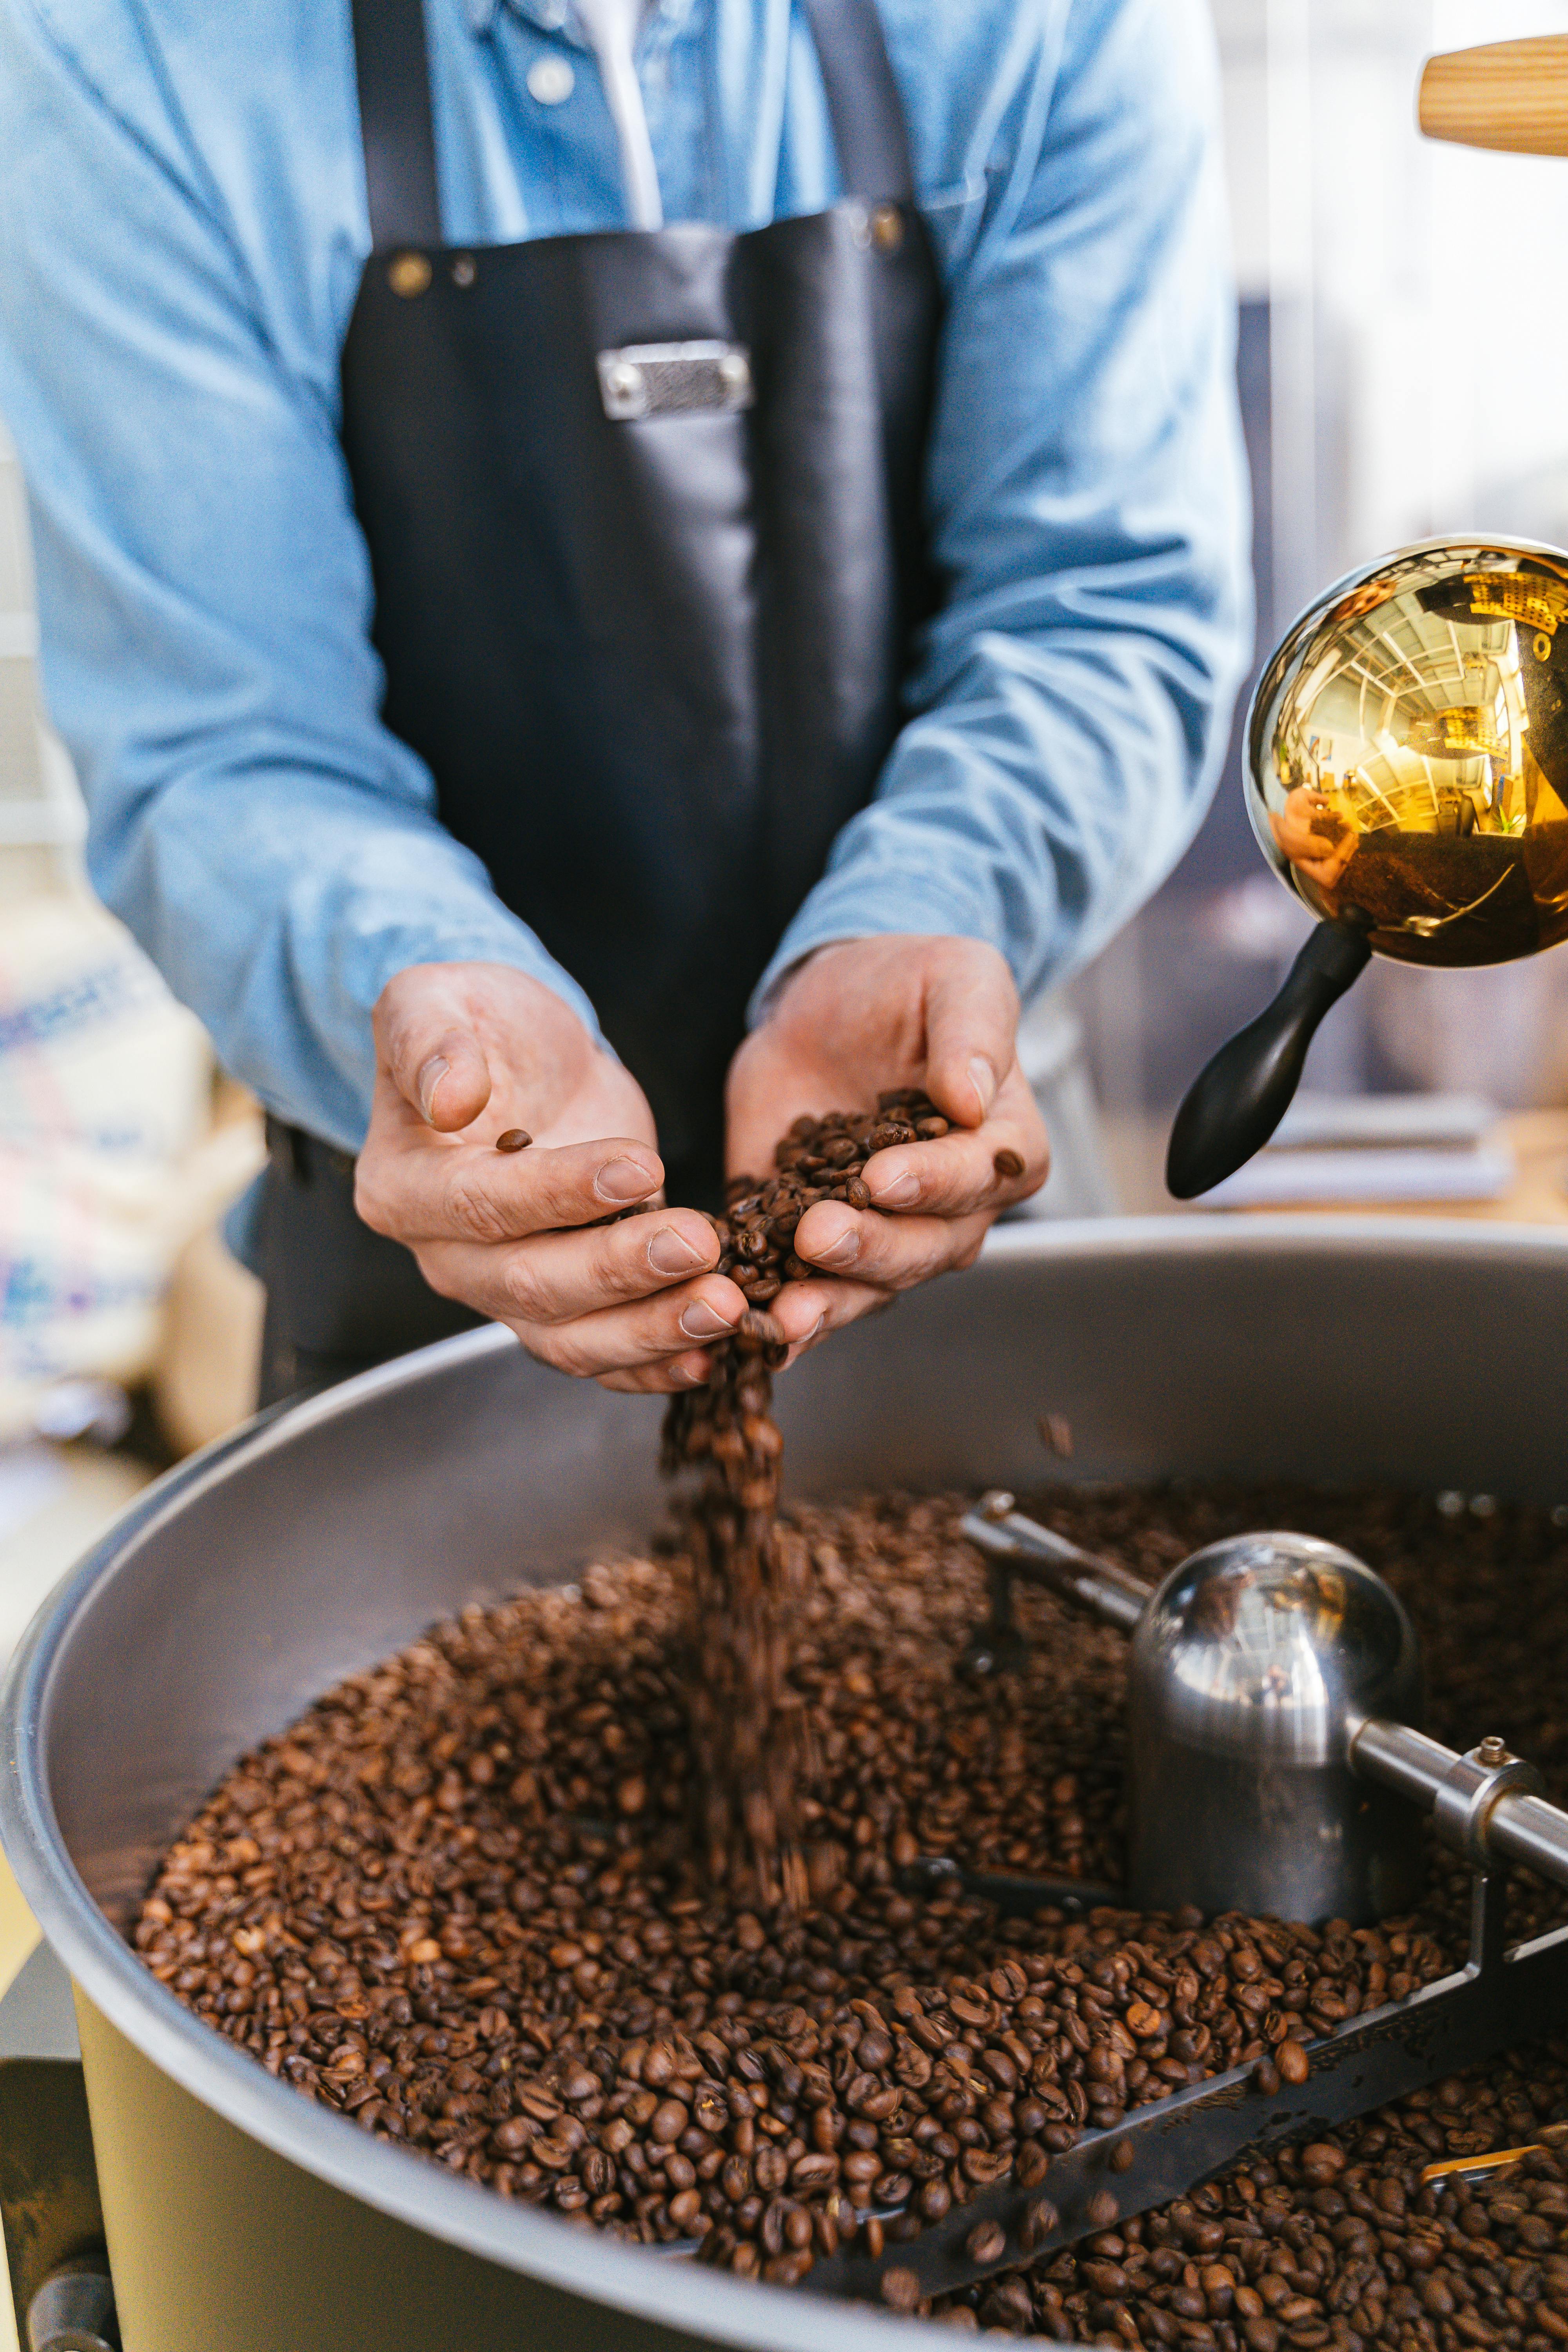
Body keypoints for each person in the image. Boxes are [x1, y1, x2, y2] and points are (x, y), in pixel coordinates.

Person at [0, 0, 1250, 1404]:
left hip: (939, 1165)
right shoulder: (130, 48)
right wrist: (437, 1018)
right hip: (430, 1273)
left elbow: (1097, 603)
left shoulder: (1051, 21)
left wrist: (935, 900)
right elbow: (223, 740)